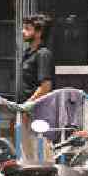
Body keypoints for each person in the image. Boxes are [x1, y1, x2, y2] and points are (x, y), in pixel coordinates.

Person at [19, 13, 55, 159]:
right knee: (27, 155)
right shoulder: (28, 53)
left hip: (39, 112)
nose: (23, 31)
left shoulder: (43, 54)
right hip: (27, 111)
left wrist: (28, 104)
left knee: (41, 155)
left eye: (27, 29)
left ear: (39, 33)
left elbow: (45, 86)